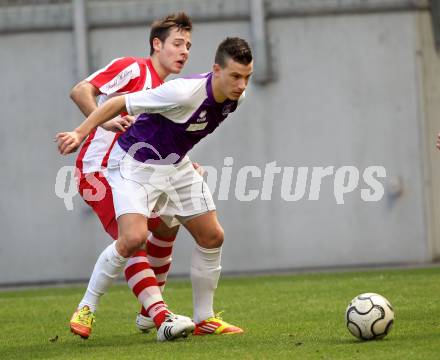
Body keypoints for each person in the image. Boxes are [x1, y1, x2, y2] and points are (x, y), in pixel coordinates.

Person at [57, 37, 252, 340]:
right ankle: (86, 306)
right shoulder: (183, 91)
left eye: (247, 77)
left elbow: (182, 130)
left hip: (175, 166)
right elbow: (117, 103)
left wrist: (184, 160)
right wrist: (80, 133)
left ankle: (204, 318)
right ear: (216, 70)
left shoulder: (236, 98)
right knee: (133, 237)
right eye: (236, 76)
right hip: (133, 163)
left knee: (212, 236)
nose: (242, 84)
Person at [68, 12, 196, 341]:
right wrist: (103, 122)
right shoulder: (133, 68)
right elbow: (81, 90)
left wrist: (183, 163)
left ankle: (146, 312)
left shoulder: (168, 91)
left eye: (189, 46)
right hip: (97, 173)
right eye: (177, 43)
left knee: (169, 220)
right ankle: (158, 314)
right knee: (133, 238)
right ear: (157, 44)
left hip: (135, 173)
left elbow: (158, 139)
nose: (184, 51)